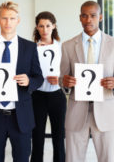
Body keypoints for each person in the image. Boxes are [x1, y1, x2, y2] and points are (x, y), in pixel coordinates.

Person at [0, 1, 44, 162]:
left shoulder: (29, 47)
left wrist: (28, 81)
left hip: (21, 116)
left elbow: (38, 78)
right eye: (4, 18)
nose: (8, 22)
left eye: (12, 18)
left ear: (18, 20)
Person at [60, 0, 114, 162]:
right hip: (76, 111)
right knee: (73, 158)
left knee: (108, 159)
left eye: (92, 16)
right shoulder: (68, 46)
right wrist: (65, 83)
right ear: (80, 18)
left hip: (106, 111)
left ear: (100, 17)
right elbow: (62, 78)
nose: (88, 19)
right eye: (84, 16)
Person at [30, 11, 66, 162]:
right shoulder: (31, 49)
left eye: (48, 26)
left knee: (59, 138)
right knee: (37, 138)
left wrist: (59, 79)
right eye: (41, 26)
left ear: (54, 26)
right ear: (37, 28)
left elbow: (67, 71)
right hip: (37, 96)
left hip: (57, 95)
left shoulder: (62, 47)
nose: (45, 29)